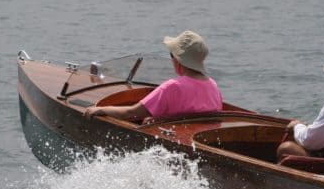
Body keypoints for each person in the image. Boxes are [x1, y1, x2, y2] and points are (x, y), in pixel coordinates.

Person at [84, 30, 223, 123]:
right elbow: (195, 119)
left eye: (171, 55)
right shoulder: (213, 86)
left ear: (178, 60)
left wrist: (101, 109)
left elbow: (130, 113)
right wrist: (158, 120)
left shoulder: (172, 87)